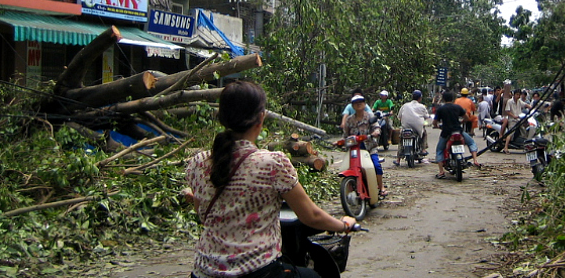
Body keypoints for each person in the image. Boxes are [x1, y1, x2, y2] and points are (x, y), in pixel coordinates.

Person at [184, 81, 356, 278]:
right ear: (261, 117)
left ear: (222, 118)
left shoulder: (198, 163)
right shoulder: (272, 163)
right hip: (258, 272)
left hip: (203, 272)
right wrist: (344, 225)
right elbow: (312, 217)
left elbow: (202, 214)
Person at [342, 94, 388, 198]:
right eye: (356, 103)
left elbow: (377, 127)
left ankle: (381, 188)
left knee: (376, 165)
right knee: (348, 167)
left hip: (369, 148)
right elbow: (345, 135)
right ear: (352, 106)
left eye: (360, 102)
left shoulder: (370, 117)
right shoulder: (349, 120)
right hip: (354, 149)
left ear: (364, 104)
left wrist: (375, 132)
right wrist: (341, 142)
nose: (358, 105)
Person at [433, 90, 480, 179]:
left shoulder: (441, 109)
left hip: (446, 133)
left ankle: (441, 172)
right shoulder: (457, 107)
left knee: (439, 150)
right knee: (471, 143)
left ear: (443, 99)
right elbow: (466, 117)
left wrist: (437, 126)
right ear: (453, 98)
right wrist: (462, 121)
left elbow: (435, 122)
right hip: (459, 131)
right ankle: (475, 160)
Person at [394, 89, 430, 166]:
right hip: (417, 128)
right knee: (424, 134)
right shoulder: (422, 106)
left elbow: (399, 116)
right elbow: (427, 117)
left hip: (405, 128)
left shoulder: (405, 105)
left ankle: (398, 160)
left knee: (401, 140)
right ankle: (423, 149)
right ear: (420, 98)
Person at [501, 89, 524, 154]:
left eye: (519, 95)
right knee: (511, 133)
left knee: (524, 130)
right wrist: (513, 116)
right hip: (512, 120)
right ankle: (505, 148)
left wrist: (531, 107)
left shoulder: (519, 101)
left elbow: (525, 105)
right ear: (514, 94)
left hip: (519, 120)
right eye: (517, 94)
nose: (518, 96)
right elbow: (507, 111)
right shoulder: (510, 101)